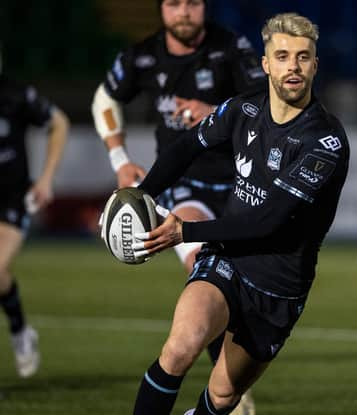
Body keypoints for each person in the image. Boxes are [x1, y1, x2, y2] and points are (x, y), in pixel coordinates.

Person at [125, 12, 349, 414]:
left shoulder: (325, 141)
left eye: (302, 57)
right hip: (226, 259)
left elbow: (270, 220)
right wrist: (141, 196)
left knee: (223, 396)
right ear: (266, 64)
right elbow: (185, 147)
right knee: (181, 346)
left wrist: (185, 232)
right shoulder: (242, 110)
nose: (292, 66)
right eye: (282, 56)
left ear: (315, 65)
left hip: (279, 285)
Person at [91, 1, 265, 411]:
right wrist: (120, 159)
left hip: (240, 186)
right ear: (161, 10)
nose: (183, 12)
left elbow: (267, 104)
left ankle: (230, 383)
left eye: (192, 3)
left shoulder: (232, 48)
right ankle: (231, 394)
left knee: (246, 288)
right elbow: (104, 99)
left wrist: (220, 113)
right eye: (173, 4)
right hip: (183, 186)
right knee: (204, 266)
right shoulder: (143, 55)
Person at [0, 53, 69, 378]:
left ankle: (18, 333)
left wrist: (45, 179)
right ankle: (20, 328)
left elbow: (59, 123)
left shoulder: (14, 95)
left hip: (11, 200)